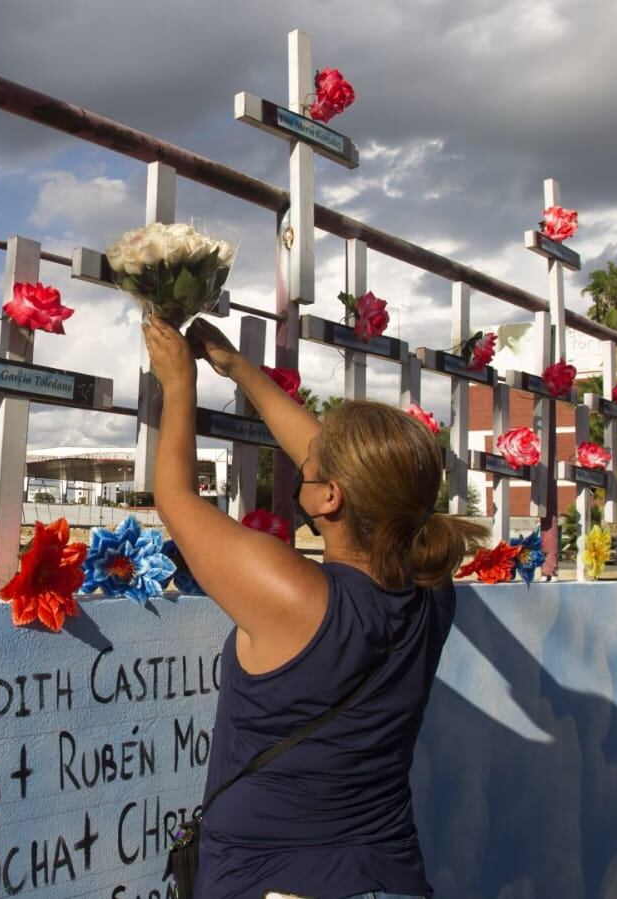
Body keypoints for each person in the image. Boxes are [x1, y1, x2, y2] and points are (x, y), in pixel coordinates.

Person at [143, 317, 488, 899]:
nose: (306, 457)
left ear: (330, 496)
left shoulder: (298, 596)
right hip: (391, 876)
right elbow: (338, 466)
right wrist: (241, 372)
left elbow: (175, 499)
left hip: (274, 882)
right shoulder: (432, 589)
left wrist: (179, 387)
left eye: (315, 464)